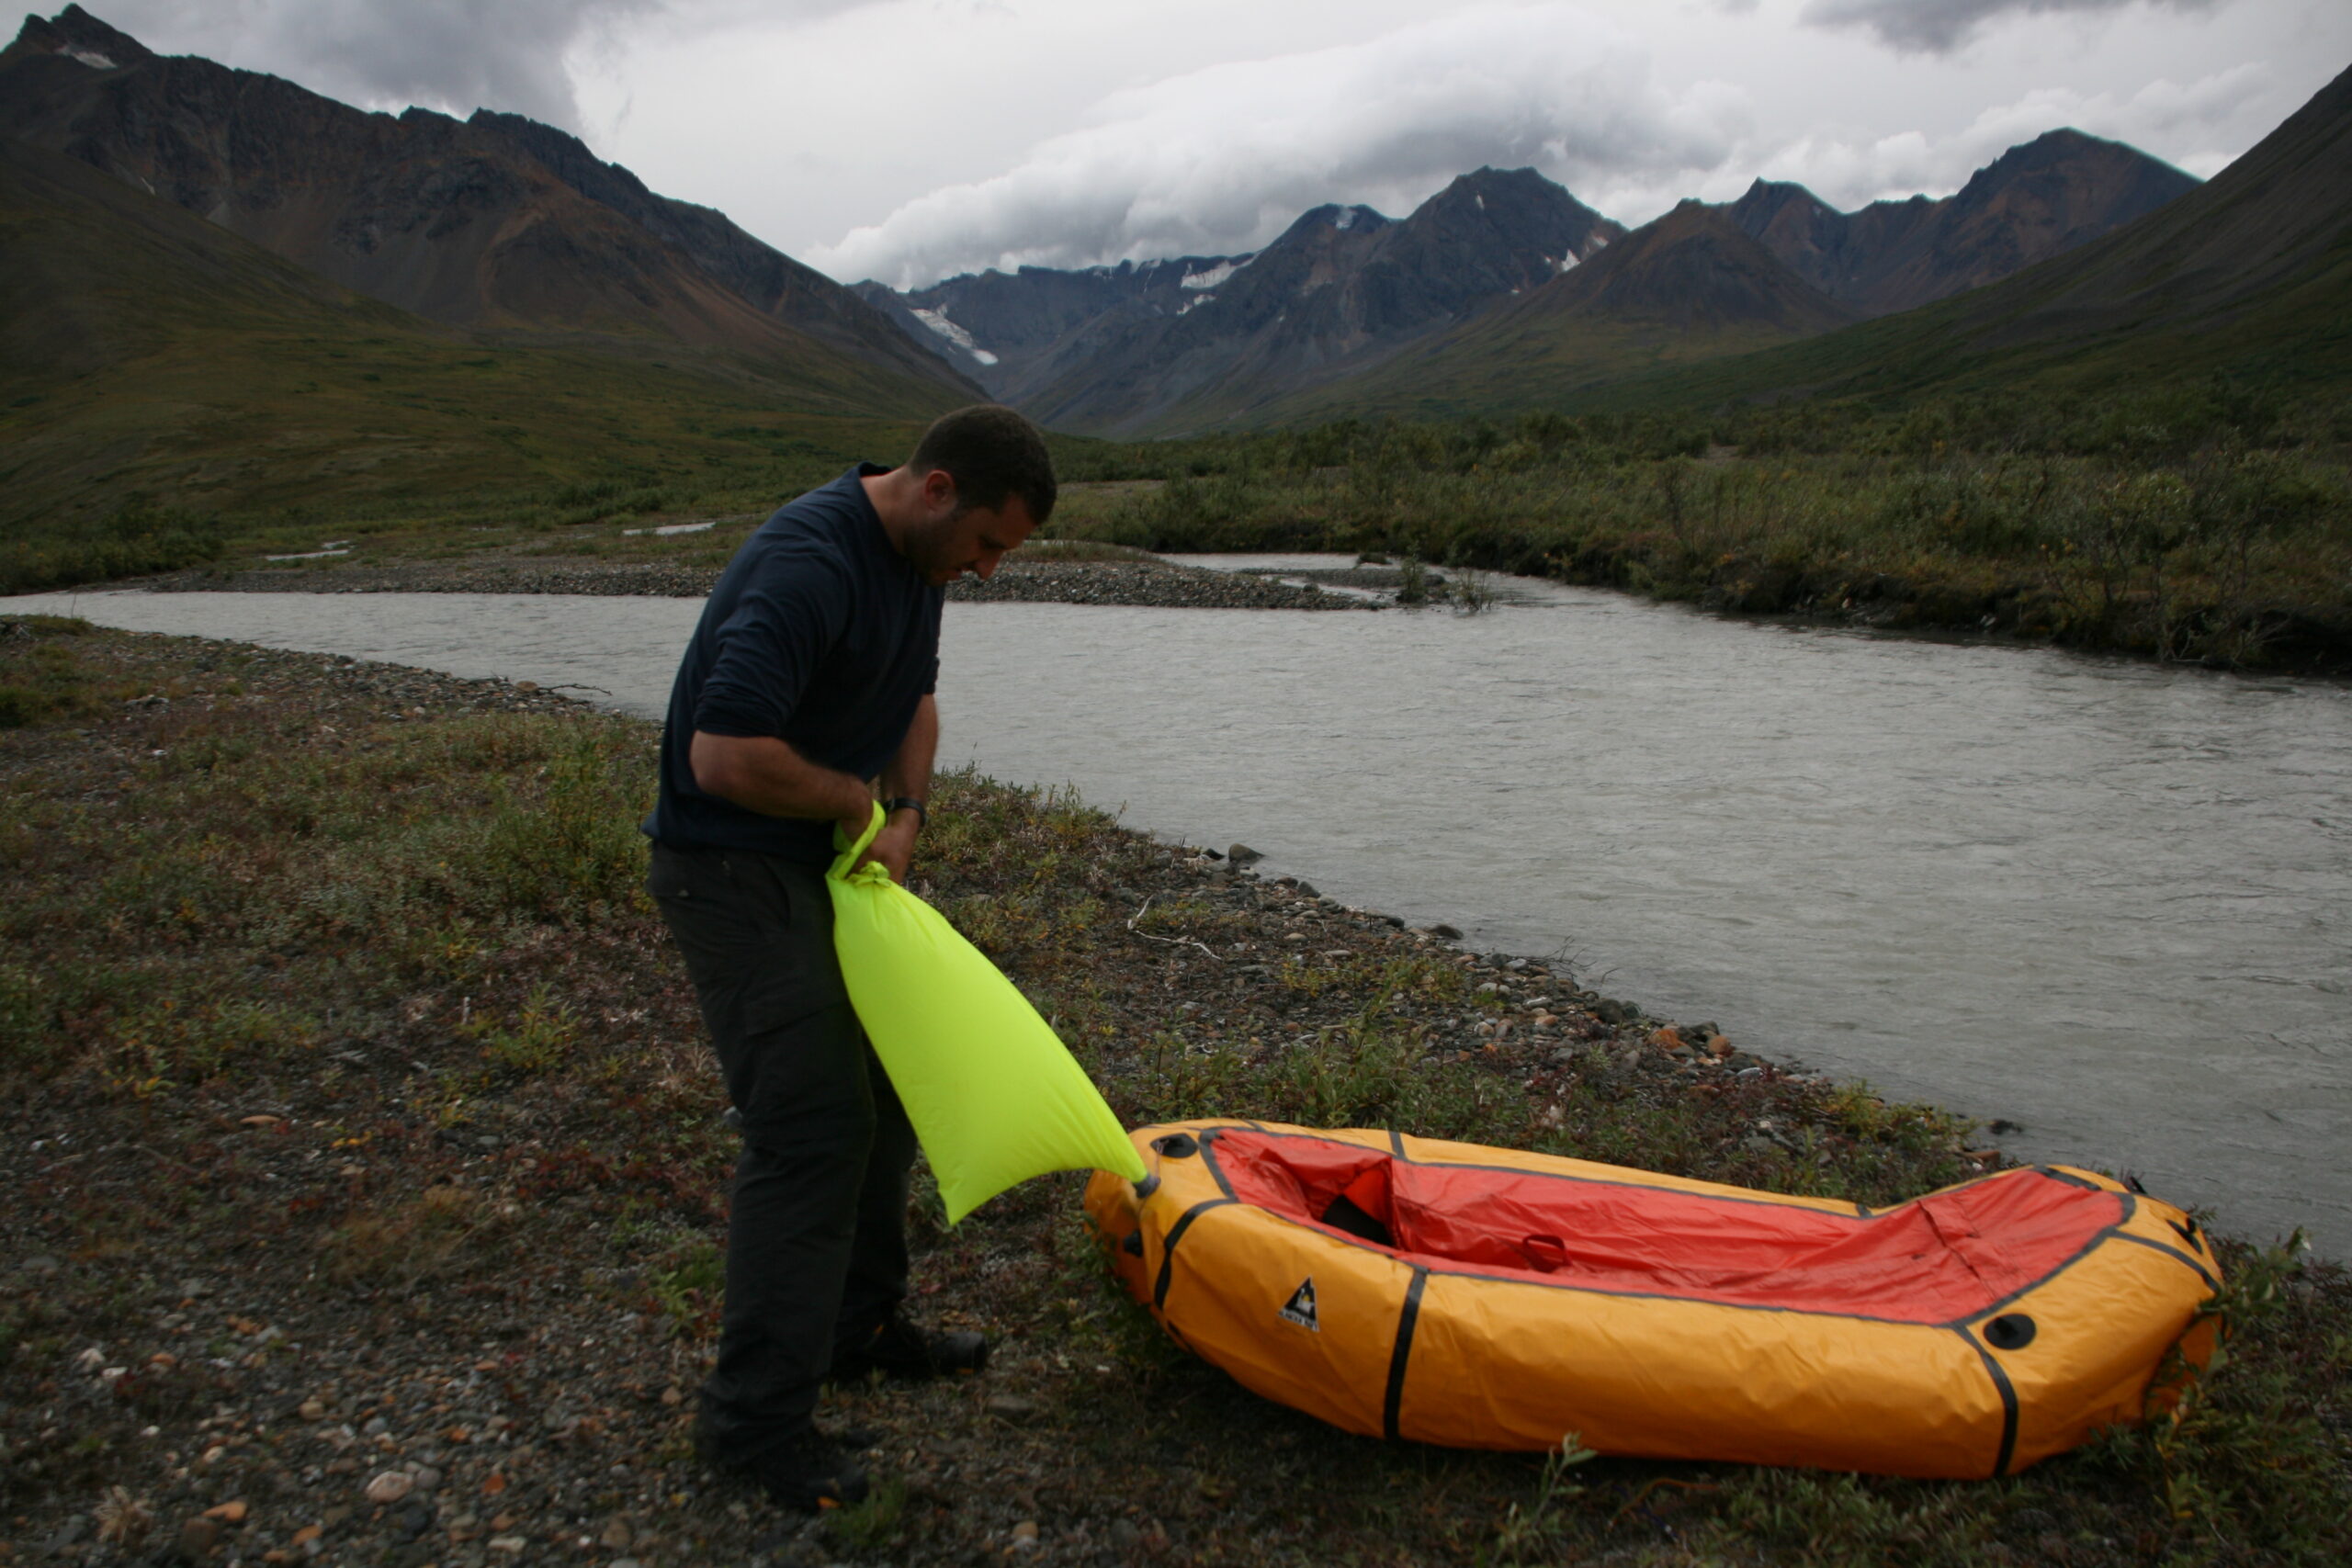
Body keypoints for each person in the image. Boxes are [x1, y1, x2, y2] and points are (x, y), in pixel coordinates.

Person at [641, 404, 1054, 1509]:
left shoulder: (920, 566)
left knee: (889, 1085)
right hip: (729, 872)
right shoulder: (807, 562)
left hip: (827, 872)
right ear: (936, 491)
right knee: (811, 1128)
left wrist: (906, 811)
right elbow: (723, 754)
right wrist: (850, 803)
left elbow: (913, 698)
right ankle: (753, 1432)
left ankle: (858, 1329)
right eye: (987, 546)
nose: (988, 569)